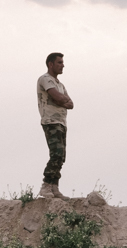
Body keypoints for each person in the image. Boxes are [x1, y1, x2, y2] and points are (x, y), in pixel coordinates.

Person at [37, 53, 74, 200]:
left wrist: (61, 100)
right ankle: (46, 185)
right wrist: (60, 99)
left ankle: (54, 186)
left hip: (62, 122)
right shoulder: (45, 79)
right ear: (50, 64)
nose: (62, 65)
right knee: (56, 153)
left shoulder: (60, 84)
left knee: (61, 156)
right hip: (50, 121)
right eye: (59, 62)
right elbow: (58, 97)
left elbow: (71, 104)